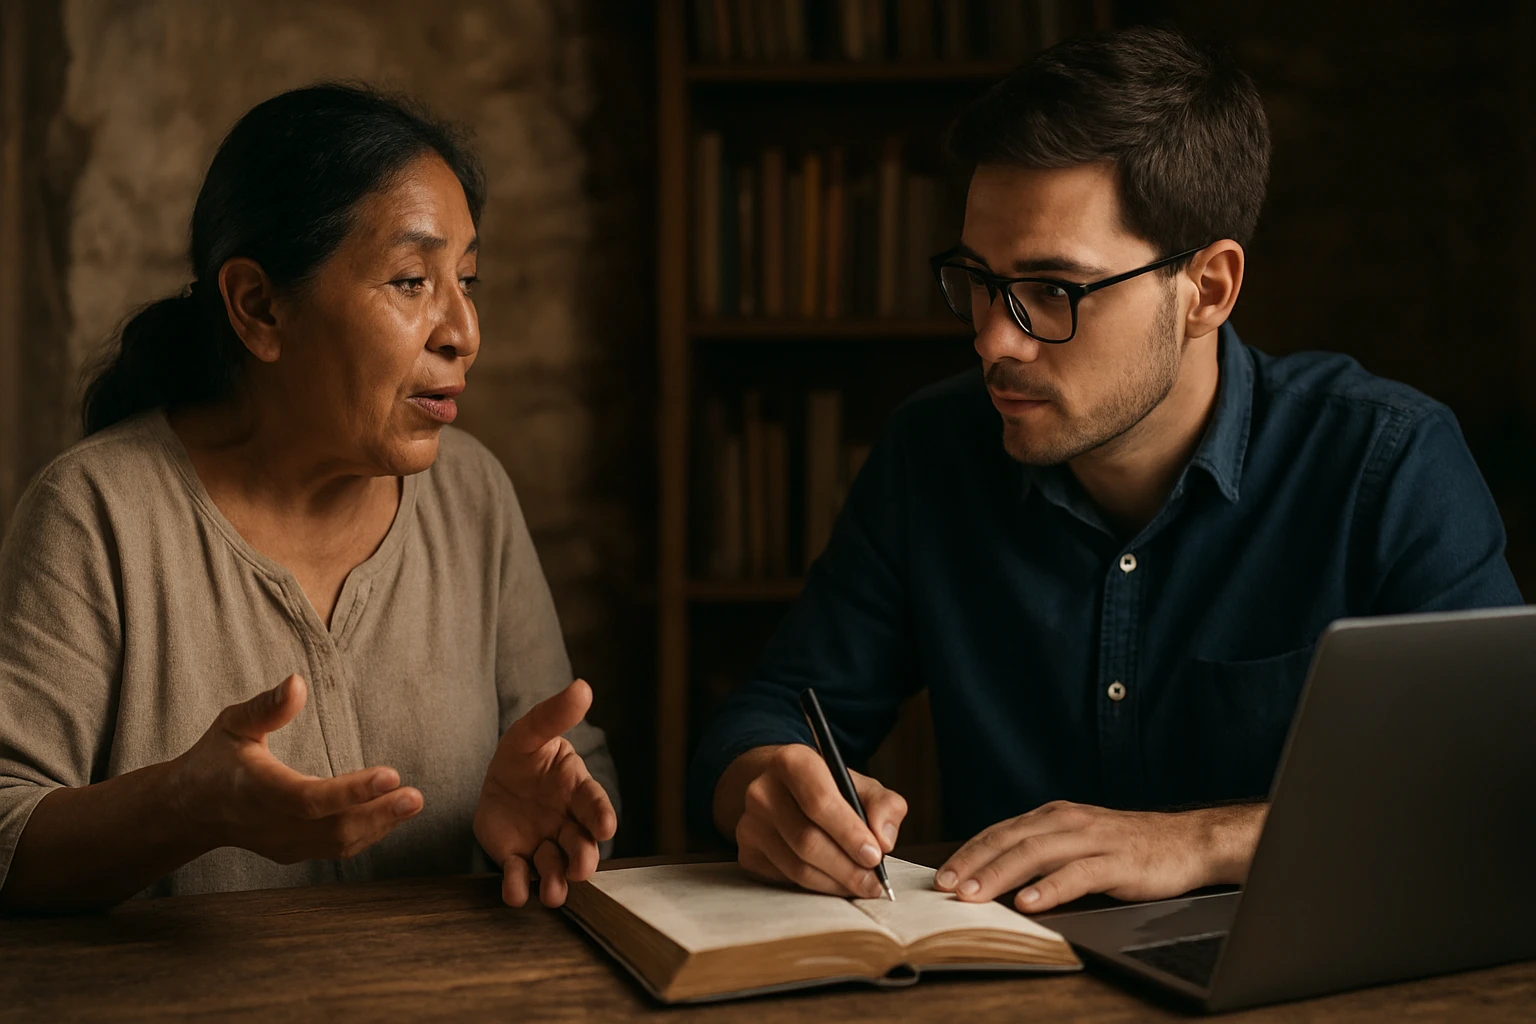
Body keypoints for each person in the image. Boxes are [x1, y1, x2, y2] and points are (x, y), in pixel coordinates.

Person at [689, 27, 1522, 914]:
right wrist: (766, 786)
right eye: (977, 277)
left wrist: (1199, 841)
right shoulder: (930, 453)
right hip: (1008, 986)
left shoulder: (1385, 463)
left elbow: (1501, 784)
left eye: (1054, 290)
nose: (992, 339)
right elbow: (770, 713)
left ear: (1208, 289)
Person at [0, 84, 617, 912]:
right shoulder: (95, 514)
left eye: (467, 279)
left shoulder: (471, 493)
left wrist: (532, 822)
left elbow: (570, 769)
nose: (463, 330)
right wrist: (187, 807)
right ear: (258, 308)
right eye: (410, 280)